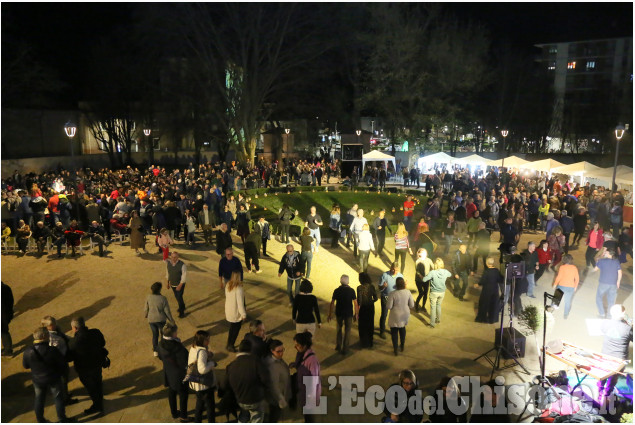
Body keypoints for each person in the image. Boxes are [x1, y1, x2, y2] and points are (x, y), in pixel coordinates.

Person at [23, 327, 73, 423]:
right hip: (53, 378)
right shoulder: (52, 350)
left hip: (37, 380)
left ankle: (40, 420)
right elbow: (62, 364)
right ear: (44, 336)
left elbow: (25, 366)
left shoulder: (28, 351)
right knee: (58, 398)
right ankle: (62, 419)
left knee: (39, 399)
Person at [68, 316, 106, 415]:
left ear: (75, 328)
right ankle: (100, 401)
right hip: (97, 364)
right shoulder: (96, 332)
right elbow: (103, 343)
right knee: (98, 383)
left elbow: (69, 357)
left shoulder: (74, 342)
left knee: (91, 387)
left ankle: (97, 405)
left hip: (84, 369)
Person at [224, 339, 269, 422]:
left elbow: (226, 384)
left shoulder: (231, 366)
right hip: (255, 399)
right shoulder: (256, 362)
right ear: (251, 350)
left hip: (240, 399)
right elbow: (266, 380)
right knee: (257, 417)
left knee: (244, 414)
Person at [597, 305, 633, 398]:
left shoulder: (605, 323)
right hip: (619, 360)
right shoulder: (628, 328)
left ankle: (600, 391)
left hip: (605, 355)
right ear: (623, 314)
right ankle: (607, 393)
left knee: (603, 373)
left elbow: (603, 330)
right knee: (613, 377)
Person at [157, 322, 189, 423]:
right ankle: (183, 416)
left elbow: (160, 356)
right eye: (176, 331)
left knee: (172, 392)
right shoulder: (177, 347)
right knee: (183, 394)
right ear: (172, 334)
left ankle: (174, 412)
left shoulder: (160, 343)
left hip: (168, 372)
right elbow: (185, 361)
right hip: (179, 375)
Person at [290, 332, 321, 423]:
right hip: (303, 391)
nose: (295, 347)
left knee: (309, 417)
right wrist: (295, 364)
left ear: (305, 345)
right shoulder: (301, 354)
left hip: (309, 395)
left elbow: (315, 380)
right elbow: (300, 363)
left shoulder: (312, 360)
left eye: (297, 345)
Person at [188, 330, 217, 423]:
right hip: (203, 385)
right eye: (207, 340)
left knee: (199, 403)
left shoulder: (193, 347)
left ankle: (197, 421)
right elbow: (202, 369)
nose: (209, 341)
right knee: (210, 406)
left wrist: (207, 354)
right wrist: (212, 363)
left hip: (195, 382)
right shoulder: (202, 352)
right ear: (202, 341)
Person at [327, 275, 358, 355]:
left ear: (340, 281)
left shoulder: (337, 290)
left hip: (339, 313)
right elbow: (355, 303)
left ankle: (338, 345)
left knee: (339, 329)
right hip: (348, 314)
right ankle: (345, 348)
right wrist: (356, 314)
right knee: (347, 331)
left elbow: (332, 302)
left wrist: (330, 314)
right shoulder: (351, 291)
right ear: (348, 282)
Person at [145, 282, 175, 357]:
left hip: (151, 319)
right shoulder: (163, 298)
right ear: (160, 289)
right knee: (163, 334)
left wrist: (146, 315)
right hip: (161, 319)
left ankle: (155, 350)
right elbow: (167, 311)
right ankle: (162, 348)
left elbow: (146, 308)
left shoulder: (148, 297)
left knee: (155, 334)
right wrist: (171, 320)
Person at [386, 277, 414, 356]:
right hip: (404, 314)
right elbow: (412, 305)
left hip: (395, 315)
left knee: (394, 332)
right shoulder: (408, 292)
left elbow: (389, 307)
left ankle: (395, 350)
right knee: (402, 329)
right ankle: (402, 345)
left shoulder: (392, 293)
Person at [265, 340, 291, 422]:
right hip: (276, 398)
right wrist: (281, 400)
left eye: (282, 350)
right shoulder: (273, 366)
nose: (281, 353)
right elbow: (274, 386)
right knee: (274, 415)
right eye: (278, 351)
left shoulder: (277, 359)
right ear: (272, 351)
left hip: (279, 394)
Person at [422, 258, 452, 328]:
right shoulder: (445, 272)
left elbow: (424, 280)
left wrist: (424, 276)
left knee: (433, 307)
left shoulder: (432, 272)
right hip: (442, 292)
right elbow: (450, 275)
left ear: (435, 265)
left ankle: (432, 324)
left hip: (434, 292)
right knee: (439, 305)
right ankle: (438, 319)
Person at [594, 249, 622, 318]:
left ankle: (602, 313)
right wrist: (618, 281)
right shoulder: (616, 262)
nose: (604, 253)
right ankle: (609, 315)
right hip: (613, 284)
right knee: (611, 301)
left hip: (603, 283)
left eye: (606, 252)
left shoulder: (602, 261)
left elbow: (595, 269)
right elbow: (620, 273)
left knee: (598, 298)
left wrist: (597, 261)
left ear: (610, 254)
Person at [474, 257, 503, 324]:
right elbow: (500, 279)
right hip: (495, 290)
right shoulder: (496, 270)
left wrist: (477, 284)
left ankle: (482, 318)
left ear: (487, 263)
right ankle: (492, 319)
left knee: (484, 304)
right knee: (493, 305)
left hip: (486, 290)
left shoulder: (486, 271)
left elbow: (482, 281)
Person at [378, 263, 403, 339]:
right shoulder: (385, 275)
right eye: (393, 269)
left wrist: (404, 285)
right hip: (385, 297)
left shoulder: (400, 276)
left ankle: (393, 330)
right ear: (390, 267)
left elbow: (401, 288)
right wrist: (383, 286)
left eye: (396, 270)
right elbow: (380, 287)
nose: (395, 271)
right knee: (384, 315)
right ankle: (382, 331)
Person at [225, 271, 247, 352]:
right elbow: (240, 303)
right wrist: (244, 315)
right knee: (236, 330)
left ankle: (229, 343)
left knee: (231, 328)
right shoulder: (239, 289)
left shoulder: (228, 285)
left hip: (229, 311)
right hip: (236, 313)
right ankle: (231, 345)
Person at [552, 254, 579, 319]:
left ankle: (553, 309)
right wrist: (575, 287)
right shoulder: (574, 268)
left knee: (556, 298)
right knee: (568, 301)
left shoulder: (562, 267)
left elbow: (559, 277)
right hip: (570, 287)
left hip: (562, 286)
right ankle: (565, 314)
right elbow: (577, 278)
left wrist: (555, 284)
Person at [356, 272, 378, 348]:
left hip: (363, 308)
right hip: (370, 308)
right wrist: (371, 301)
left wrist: (357, 311)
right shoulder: (372, 287)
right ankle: (370, 341)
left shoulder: (359, 288)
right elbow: (376, 298)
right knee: (370, 324)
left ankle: (363, 342)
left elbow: (359, 301)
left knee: (362, 325)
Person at [166, 252, 188, 318]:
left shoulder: (182, 265)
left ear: (178, 257)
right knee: (177, 296)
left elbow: (184, 276)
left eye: (175, 257)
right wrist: (168, 282)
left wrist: (180, 285)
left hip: (179, 285)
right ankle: (183, 306)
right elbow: (168, 273)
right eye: (172, 257)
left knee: (179, 298)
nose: (173, 258)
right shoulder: (168, 264)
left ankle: (182, 312)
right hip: (172, 284)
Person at [414, 248, 434, 313]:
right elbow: (417, 271)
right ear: (419, 254)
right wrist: (420, 275)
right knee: (421, 293)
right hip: (419, 280)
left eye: (425, 252)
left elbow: (433, 267)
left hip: (426, 280)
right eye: (422, 252)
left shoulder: (429, 260)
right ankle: (416, 306)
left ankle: (423, 306)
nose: (424, 253)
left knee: (425, 293)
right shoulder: (418, 261)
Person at [2, 281, 14, 356]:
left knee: (3, 332)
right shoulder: (6, 288)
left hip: (2, 316)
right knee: (4, 331)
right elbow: (11, 301)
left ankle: (8, 351)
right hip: (5, 314)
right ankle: (8, 350)